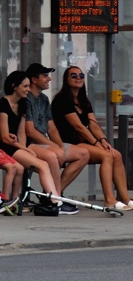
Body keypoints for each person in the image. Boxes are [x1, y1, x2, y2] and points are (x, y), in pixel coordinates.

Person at [51, 67, 133, 211]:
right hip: (68, 142)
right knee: (107, 156)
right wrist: (96, 143)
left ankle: (125, 198)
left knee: (116, 155)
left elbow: (93, 124)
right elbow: (79, 126)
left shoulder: (83, 100)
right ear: (67, 79)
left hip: (83, 142)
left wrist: (103, 141)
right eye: (74, 75)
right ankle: (109, 200)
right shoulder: (62, 99)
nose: (78, 78)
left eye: (81, 75)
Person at [0, 70, 73, 212]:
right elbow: (5, 137)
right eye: (25, 86)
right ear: (14, 86)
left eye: (28, 86)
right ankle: (55, 201)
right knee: (43, 164)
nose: (28, 90)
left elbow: (21, 132)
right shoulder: (3, 104)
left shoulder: (23, 104)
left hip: (16, 146)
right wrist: (25, 150)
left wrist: (24, 148)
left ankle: (18, 201)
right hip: (4, 146)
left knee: (43, 164)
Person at [22, 62, 90, 197]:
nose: (49, 79)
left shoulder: (44, 99)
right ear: (34, 80)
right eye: (45, 76)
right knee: (55, 155)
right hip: (29, 144)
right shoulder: (25, 99)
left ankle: (53, 194)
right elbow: (30, 132)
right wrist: (54, 147)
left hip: (44, 142)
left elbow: (51, 128)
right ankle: (54, 198)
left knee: (83, 154)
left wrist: (59, 145)